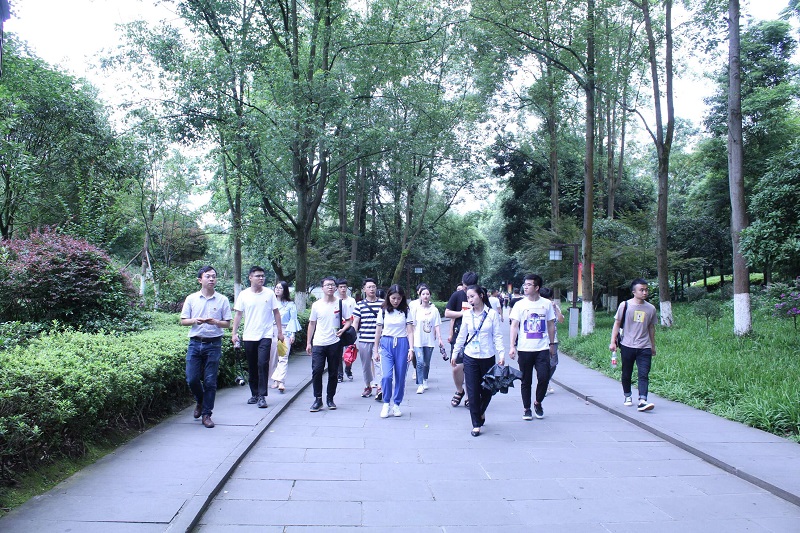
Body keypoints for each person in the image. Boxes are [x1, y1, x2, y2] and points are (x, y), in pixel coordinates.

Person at [180, 265, 232, 429]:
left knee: (210, 381)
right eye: (208, 276)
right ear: (200, 280)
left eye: (214, 276)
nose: (211, 279)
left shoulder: (222, 299)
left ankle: (207, 414)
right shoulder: (191, 299)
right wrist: (196, 320)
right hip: (195, 342)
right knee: (192, 378)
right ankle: (201, 401)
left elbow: (227, 324)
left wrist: (215, 322)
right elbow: (183, 320)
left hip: (213, 343)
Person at [452, 285, 504, 437]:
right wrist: (455, 354)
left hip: (488, 356)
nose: (470, 300)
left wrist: (501, 354)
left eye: (472, 296)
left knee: (487, 390)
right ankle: (476, 423)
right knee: (473, 391)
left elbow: (497, 336)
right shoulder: (467, 315)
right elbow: (462, 336)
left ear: (481, 296)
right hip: (470, 357)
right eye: (468, 297)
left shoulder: (492, 314)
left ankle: (481, 411)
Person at [231, 266, 284, 409]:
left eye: (262, 276)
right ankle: (254, 394)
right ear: (250, 278)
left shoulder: (269, 293)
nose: (261, 278)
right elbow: (238, 314)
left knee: (262, 364)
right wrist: (234, 333)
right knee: (252, 365)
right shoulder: (244, 294)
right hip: (249, 335)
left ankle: (262, 396)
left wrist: (280, 332)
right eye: (258, 276)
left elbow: (276, 312)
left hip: (265, 335)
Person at [508, 274, 556, 421]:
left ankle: (538, 402)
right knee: (526, 380)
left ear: (537, 287)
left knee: (544, 377)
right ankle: (527, 408)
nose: (525, 287)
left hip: (542, 348)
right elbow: (514, 326)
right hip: (525, 349)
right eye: (525, 284)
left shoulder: (546, 304)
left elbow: (551, 325)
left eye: (529, 284)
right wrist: (512, 346)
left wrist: (552, 344)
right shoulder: (519, 304)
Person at [609, 278, 658, 412]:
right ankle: (627, 395)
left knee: (644, 373)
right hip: (627, 345)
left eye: (646, 290)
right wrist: (613, 342)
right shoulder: (625, 305)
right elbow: (617, 323)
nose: (645, 292)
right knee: (626, 373)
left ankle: (642, 400)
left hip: (644, 346)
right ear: (634, 292)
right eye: (641, 290)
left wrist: (653, 345)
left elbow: (651, 328)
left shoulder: (651, 308)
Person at [307, 276, 352, 411]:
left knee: (333, 372)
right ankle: (318, 399)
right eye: (327, 285)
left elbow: (349, 320)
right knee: (317, 370)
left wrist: (343, 329)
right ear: (322, 288)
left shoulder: (340, 303)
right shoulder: (316, 305)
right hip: (319, 343)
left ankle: (330, 398)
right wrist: (308, 343)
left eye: (332, 285)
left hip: (335, 342)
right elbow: (312, 324)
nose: (330, 287)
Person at [373, 284, 414, 418]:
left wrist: (411, 349)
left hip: (402, 344)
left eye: (399, 298)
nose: (396, 301)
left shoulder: (406, 311)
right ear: (388, 297)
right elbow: (378, 331)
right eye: (393, 298)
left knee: (400, 376)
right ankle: (386, 403)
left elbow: (410, 331)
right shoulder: (383, 311)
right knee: (386, 376)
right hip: (386, 343)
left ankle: (396, 404)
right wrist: (375, 350)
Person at [445, 272, 478, 408]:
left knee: (472, 369)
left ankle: (470, 396)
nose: (466, 291)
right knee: (457, 367)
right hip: (459, 336)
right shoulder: (457, 295)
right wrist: (462, 313)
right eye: (465, 288)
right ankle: (460, 390)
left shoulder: (480, 295)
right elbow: (447, 313)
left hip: (475, 338)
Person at [352, 278, 384, 399]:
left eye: (373, 287)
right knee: (366, 366)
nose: (372, 289)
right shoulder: (360, 305)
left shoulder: (383, 303)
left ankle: (380, 387)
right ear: (364, 289)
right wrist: (351, 338)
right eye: (369, 287)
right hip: (364, 339)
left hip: (380, 341)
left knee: (379, 364)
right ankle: (368, 386)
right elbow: (356, 322)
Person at [412, 284, 444, 394]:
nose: (425, 296)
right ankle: (420, 384)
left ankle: (425, 379)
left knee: (426, 363)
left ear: (430, 295)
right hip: (418, 340)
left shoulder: (434, 310)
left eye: (427, 294)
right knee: (420, 362)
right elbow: (412, 325)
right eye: (423, 294)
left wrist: (439, 338)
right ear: (420, 296)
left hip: (429, 340)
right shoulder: (416, 309)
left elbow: (437, 325)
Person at [270, 280, 300, 393]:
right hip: (272, 331)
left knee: (283, 356)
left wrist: (292, 334)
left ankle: (281, 381)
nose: (278, 289)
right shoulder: (271, 303)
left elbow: (293, 320)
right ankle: (275, 379)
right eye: (276, 287)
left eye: (280, 288)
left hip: (285, 331)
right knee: (273, 357)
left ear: (285, 290)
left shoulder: (290, 304)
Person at [539, 287, 564, 395]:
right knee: (543, 364)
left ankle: (545, 382)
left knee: (553, 363)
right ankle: (544, 385)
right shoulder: (538, 307)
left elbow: (561, 320)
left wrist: (555, 308)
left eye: (549, 298)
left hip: (553, 340)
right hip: (540, 340)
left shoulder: (554, 306)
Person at [336, 279, 357, 382]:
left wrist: (354, 329)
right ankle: (339, 374)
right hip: (338, 329)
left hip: (349, 329)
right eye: (341, 287)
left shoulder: (351, 301)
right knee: (338, 352)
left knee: (350, 351)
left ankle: (348, 370)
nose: (343, 289)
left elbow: (355, 315)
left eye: (344, 287)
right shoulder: (335, 300)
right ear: (337, 288)